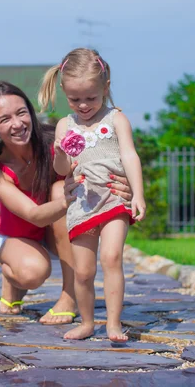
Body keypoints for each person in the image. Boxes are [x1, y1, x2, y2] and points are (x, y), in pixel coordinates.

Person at [0, 81, 133, 325]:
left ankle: (70, 297)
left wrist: (124, 185)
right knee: (32, 272)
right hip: (17, 235)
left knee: (61, 189)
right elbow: (34, 214)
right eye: (4, 119)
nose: (17, 124)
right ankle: (11, 276)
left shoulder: (56, 143)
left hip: (55, 232)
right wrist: (66, 201)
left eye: (21, 113)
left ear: (30, 111)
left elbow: (102, 164)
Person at [38, 48, 146, 341]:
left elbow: (130, 156)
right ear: (63, 91)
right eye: (75, 99)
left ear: (105, 88)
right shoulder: (65, 126)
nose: (84, 105)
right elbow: (63, 170)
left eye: (91, 97)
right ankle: (87, 322)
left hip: (113, 198)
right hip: (82, 204)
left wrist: (138, 194)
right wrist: (59, 151)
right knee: (83, 271)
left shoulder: (116, 119)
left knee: (111, 258)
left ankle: (113, 323)